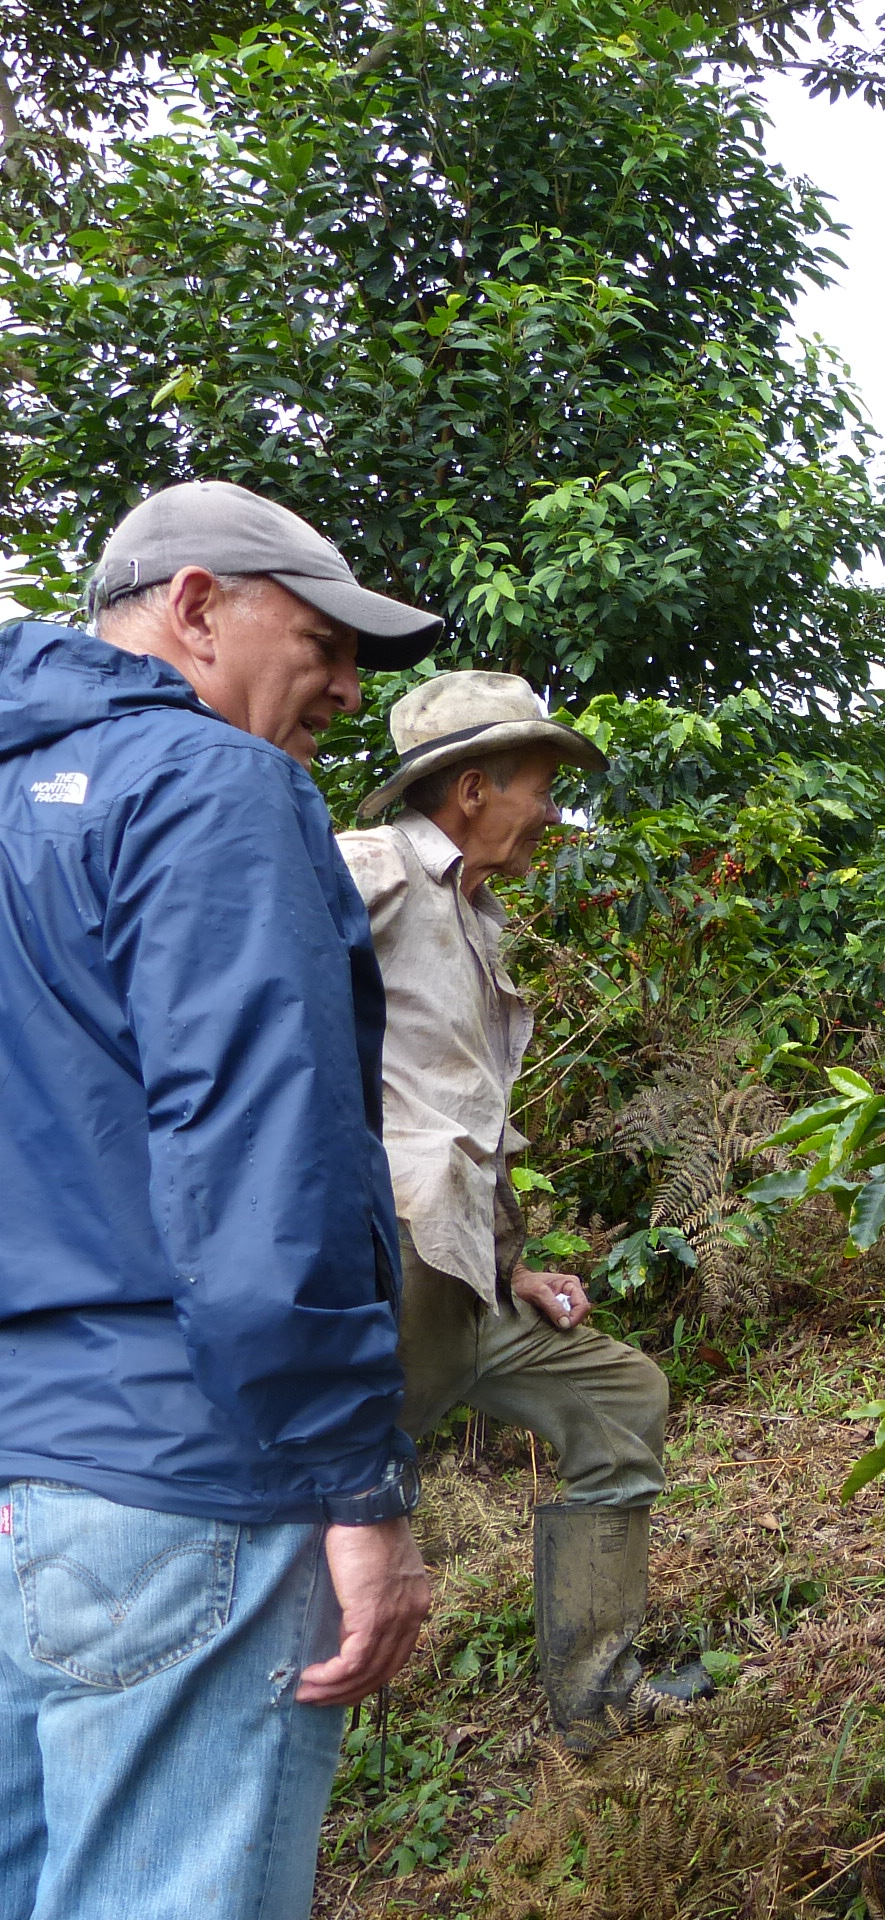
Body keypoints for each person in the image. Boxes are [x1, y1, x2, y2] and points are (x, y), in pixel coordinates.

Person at [0, 480, 442, 1920]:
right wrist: (357, 1486)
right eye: (320, 636)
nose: (346, 681)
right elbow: (264, 1167)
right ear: (195, 606)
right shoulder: (211, 787)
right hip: (184, 1478)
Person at [336, 671, 701, 1749]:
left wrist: (516, 1267)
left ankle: (595, 1704)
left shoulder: (473, 914)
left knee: (618, 1394)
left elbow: (467, 1119)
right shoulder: (368, 869)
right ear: (471, 789)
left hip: (459, 1267)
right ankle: (302, 1722)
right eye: (541, 787)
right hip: (387, 1260)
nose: (552, 811)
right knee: (333, 1497)